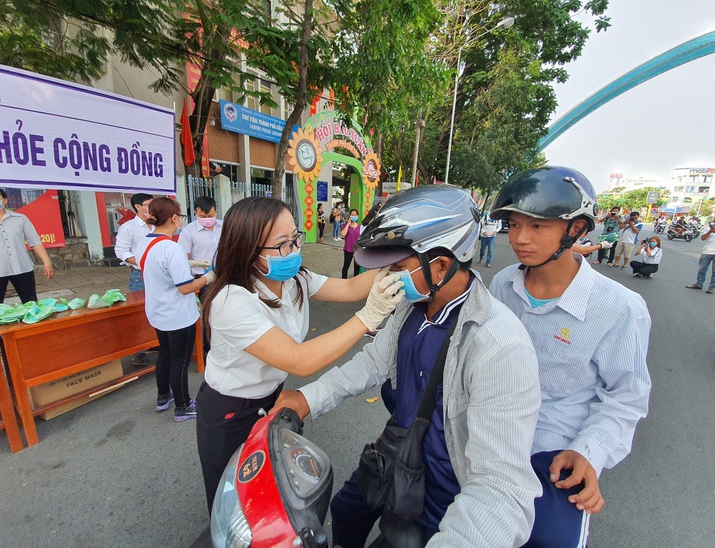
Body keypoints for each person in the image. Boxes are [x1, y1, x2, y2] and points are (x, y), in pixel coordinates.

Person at [272, 185, 542, 547]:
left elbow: (500, 488)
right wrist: (307, 399)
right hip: (395, 453)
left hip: (444, 492)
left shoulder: (498, 345)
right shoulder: (410, 306)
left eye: (397, 267)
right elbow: (371, 363)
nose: (385, 278)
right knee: (346, 511)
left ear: (442, 265)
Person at [196, 196, 404, 514]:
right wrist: (368, 317)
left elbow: (349, 289)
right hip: (230, 412)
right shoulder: (230, 301)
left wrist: (400, 261)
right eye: (282, 245)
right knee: (232, 501)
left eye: (296, 238)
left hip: (273, 398)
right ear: (249, 251)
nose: (294, 250)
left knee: (268, 491)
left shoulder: (296, 280)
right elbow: (299, 360)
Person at [488, 166, 652, 547]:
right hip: (489, 438)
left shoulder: (620, 309)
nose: (519, 239)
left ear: (576, 229)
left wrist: (587, 452)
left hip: (553, 455)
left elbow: (625, 399)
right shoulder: (502, 285)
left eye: (537, 226)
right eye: (513, 225)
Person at [134, 197, 215, 421]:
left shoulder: (144, 243)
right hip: (178, 315)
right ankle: (183, 406)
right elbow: (186, 287)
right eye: (180, 216)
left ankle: (163, 397)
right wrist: (208, 277)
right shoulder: (172, 248)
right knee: (179, 361)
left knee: (166, 355)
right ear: (173, 218)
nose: (181, 220)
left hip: (158, 311)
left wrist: (191, 264)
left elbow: (158, 267)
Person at [0, 185, 54, 304]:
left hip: (22, 268)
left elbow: (35, 241)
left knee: (31, 304)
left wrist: (47, 262)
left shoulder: (20, 219)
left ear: (4, 200)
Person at [114, 192, 154, 366]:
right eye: (149, 204)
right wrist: (142, 261)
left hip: (158, 273)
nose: (152, 208)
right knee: (140, 314)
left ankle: (155, 343)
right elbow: (121, 251)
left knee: (157, 309)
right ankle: (139, 352)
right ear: (138, 206)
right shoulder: (129, 228)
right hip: (140, 275)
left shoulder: (157, 224)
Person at [178, 195, 222, 292]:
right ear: (195, 213)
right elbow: (183, 258)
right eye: (202, 217)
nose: (207, 219)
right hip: (202, 278)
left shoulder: (224, 226)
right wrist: (195, 264)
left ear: (216, 212)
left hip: (224, 275)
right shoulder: (188, 231)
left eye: (210, 216)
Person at [686, 220, 715, 294]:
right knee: (702, 269)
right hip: (707, 252)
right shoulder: (708, 228)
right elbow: (703, 238)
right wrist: (710, 231)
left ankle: (712, 287)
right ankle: (699, 284)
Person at [340, 208, 362, 278]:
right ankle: (343, 280)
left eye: (355, 215)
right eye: (352, 215)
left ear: (357, 216)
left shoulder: (360, 227)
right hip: (348, 249)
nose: (354, 216)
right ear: (349, 216)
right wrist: (348, 224)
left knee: (357, 267)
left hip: (357, 250)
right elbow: (343, 234)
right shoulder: (346, 226)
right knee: (346, 266)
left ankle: (355, 281)